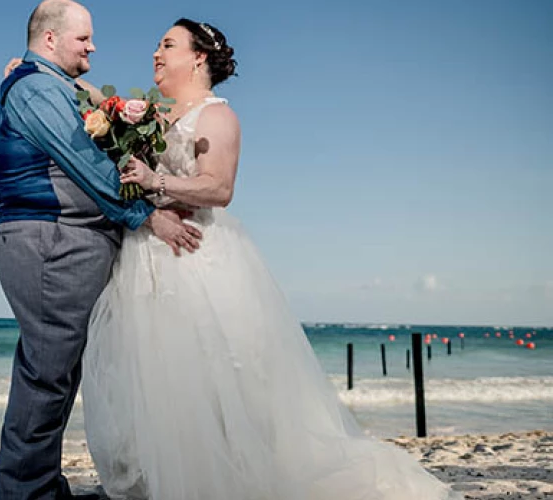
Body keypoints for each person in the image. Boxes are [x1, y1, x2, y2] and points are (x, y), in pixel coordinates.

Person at [80, 18, 462, 500]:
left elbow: (219, 188)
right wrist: (54, 76)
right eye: (157, 45)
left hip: (196, 257)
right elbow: (107, 108)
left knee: (211, 383)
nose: (156, 53)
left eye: (168, 45)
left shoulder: (217, 116)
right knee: (152, 388)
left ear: (198, 57)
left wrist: (156, 182)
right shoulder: (152, 115)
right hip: (144, 255)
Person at [0, 2, 201, 499]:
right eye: (83, 38)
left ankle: (37, 486)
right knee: (48, 373)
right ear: (50, 40)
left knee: (54, 369)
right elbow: (84, 161)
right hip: (50, 240)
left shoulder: (49, 85)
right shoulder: (36, 88)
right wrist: (147, 216)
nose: (93, 46)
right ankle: (25, 494)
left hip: (60, 239)